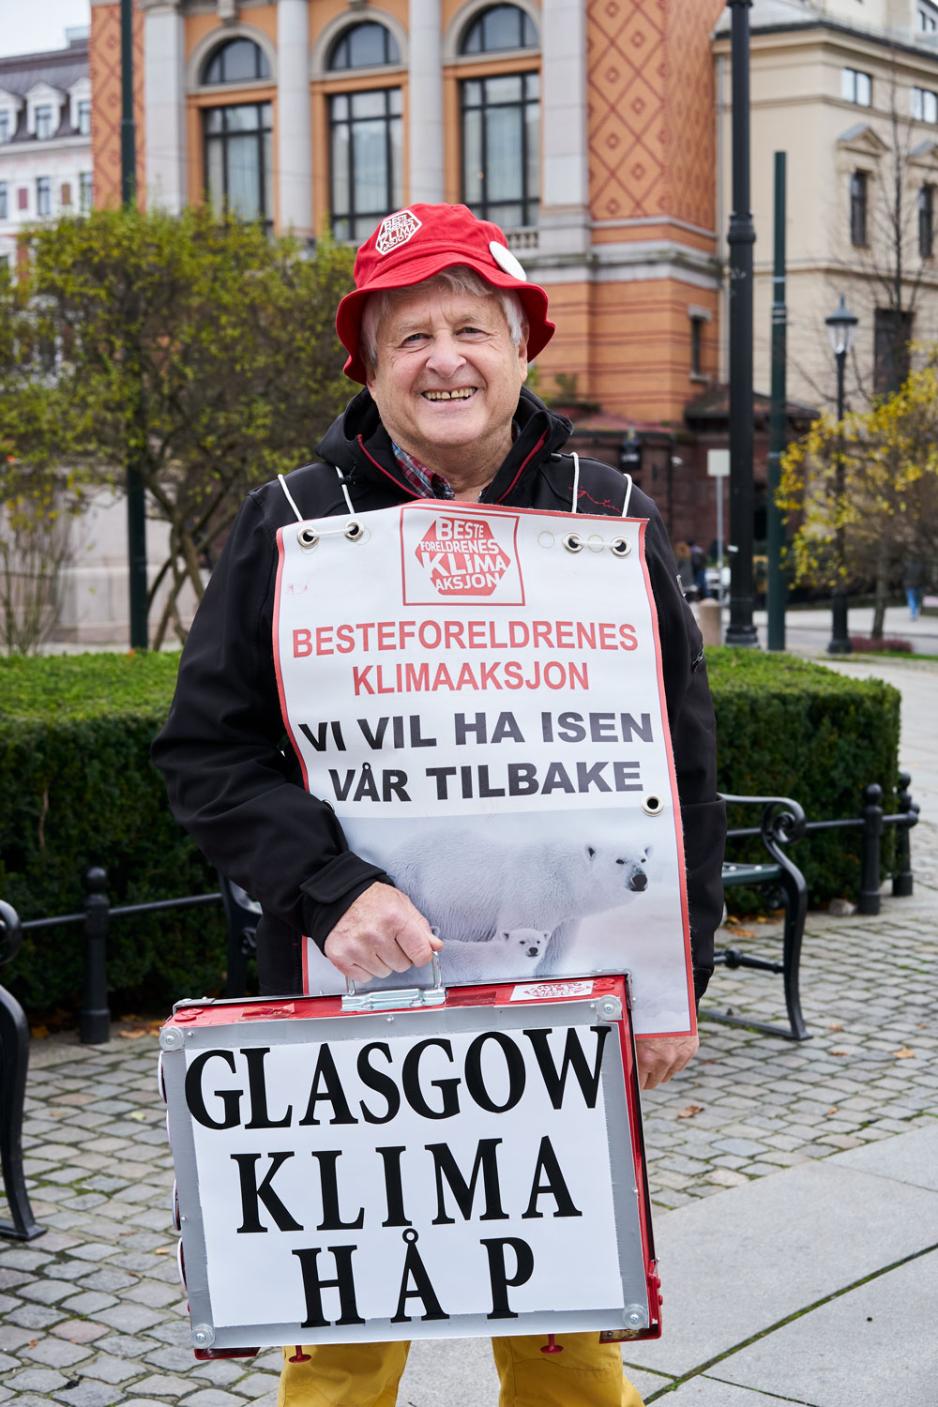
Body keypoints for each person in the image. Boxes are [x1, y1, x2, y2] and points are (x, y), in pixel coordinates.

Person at [152, 203, 726, 1407]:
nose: (443, 358)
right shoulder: (291, 522)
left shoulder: (609, 517)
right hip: (348, 998)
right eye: (407, 335)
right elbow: (207, 753)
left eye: (471, 327)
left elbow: (676, 761)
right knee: (348, 1331)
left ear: (524, 347)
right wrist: (330, 887)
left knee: (568, 1321)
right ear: (367, 367)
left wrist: (676, 981)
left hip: (563, 1005)